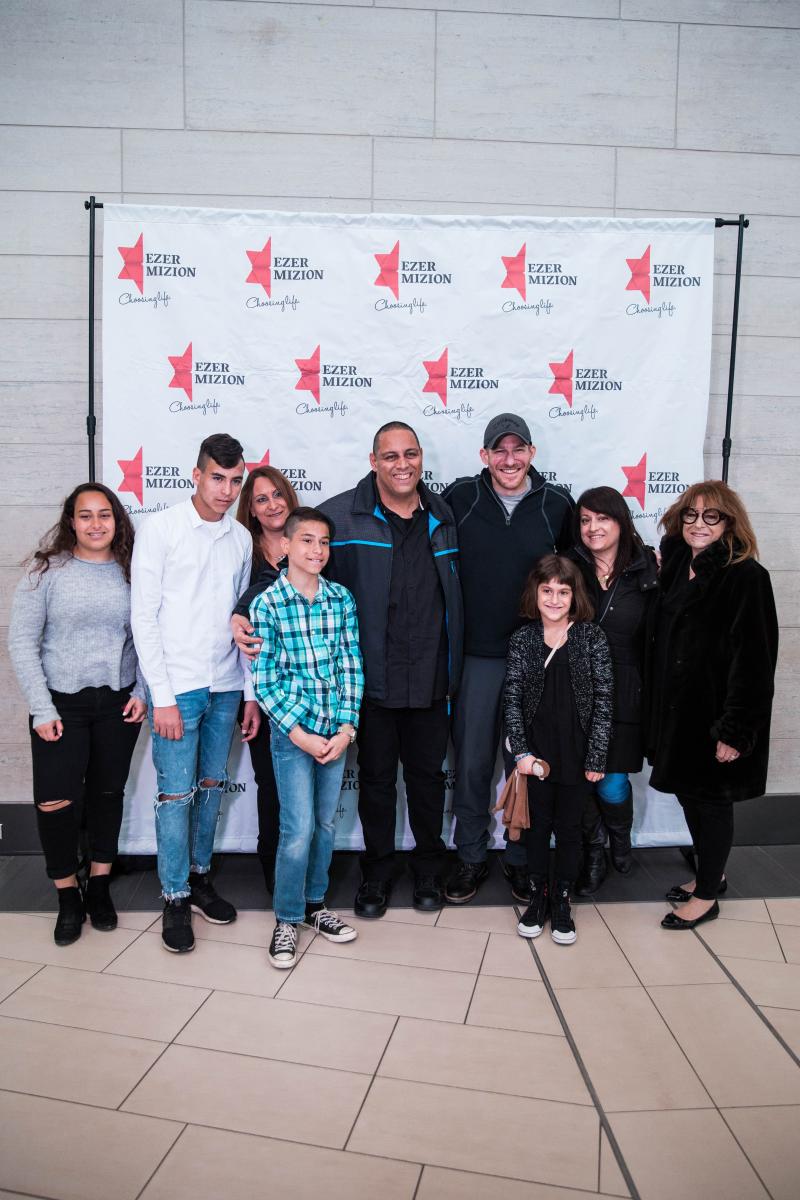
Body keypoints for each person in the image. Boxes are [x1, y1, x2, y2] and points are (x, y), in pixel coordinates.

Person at [319, 422, 464, 918]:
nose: (402, 464)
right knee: (376, 784)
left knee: (427, 782)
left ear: (421, 458)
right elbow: (295, 572)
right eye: (391, 456)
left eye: (411, 454)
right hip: (371, 682)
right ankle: (377, 874)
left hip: (431, 678)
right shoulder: (339, 517)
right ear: (373, 461)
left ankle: (429, 870)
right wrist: (246, 606)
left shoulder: (445, 516)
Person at [131, 433, 261, 953]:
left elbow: (243, 621)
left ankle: (200, 877)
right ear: (196, 474)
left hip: (226, 684)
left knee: (210, 787)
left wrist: (249, 692)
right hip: (177, 688)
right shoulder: (160, 529)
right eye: (217, 478)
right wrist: (160, 696)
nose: (226, 490)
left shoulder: (242, 538)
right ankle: (174, 894)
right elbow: (143, 618)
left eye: (235, 481)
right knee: (175, 794)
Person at [442, 413, 574, 905]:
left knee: (525, 762)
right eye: (500, 449)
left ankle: (521, 859)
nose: (510, 459)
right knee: (473, 763)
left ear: (532, 454)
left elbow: (582, 568)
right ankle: (471, 856)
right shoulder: (461, 498)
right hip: (477, 656)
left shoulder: (557, 504)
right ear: (485, 456)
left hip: (536, 658)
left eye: (519, 449)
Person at [8, 483, 147, 945]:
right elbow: (21, 642)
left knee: (108, 794)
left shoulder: (133, 571)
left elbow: (149, 636)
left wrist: (143, 691)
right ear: (71, 521)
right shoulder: (46, 571)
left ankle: (100, 883)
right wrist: (41, 708)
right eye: (85, 515)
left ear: (116, 520)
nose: (95, 524)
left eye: (104, 514)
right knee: (55, 801)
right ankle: (68, 892)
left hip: (117, 703)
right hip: (59, 706)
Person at [646, 481, 778, 931]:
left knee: (712, 802)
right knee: (689, 796)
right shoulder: (675, 565)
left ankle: (706, 897)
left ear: (729, 522)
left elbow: (756, 663)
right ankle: (711, 873)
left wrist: (734, 730)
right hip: (676, 713)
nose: (698, 524)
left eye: (711, 516)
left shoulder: (746, 577)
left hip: (714, 715)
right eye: (691, 514)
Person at [250, 507, 364, 968]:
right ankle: (287, 917)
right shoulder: (268, 604)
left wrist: (346, 728)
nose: (317, 550)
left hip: (335, 733)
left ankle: (316, 904)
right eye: (306, 540)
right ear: (285, 546)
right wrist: (299, 734)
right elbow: (265, 679)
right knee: (296, 830)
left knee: (325, 823)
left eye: (324, 542)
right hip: (292, 736)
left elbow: (350, 665)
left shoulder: (341, 599)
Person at [504, 555, 613, 944]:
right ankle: (538, 895)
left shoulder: (591, 637)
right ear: (535, 593)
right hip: (537, 757)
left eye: (563, 592)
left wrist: (596, 756)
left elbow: (604, 700)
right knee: (536, 829)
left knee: (570, 829)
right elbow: (512, 699)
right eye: (547, 590)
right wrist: (521, 754)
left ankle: (562, 897)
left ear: (574, 595)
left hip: (578, 754)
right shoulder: (523, 639)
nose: (554, 599)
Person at [567, 487, 659, 895]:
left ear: (621, 521)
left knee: (611, 781)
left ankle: (620, 840)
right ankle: (594, 853)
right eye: (585, 520)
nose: (593, 527)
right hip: (574, 689)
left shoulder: (647, 569)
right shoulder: (569, 566)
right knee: (581, 780)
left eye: (602, 518)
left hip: (624, 691)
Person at [231, 465, 299, 893]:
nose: (272, 504)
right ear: (251, 510)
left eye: (277, 494)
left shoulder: (311, 544)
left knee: (305, 786)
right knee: (270, 783)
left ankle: (305, 873)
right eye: (261, 499)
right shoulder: (243, 553)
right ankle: (275, 874)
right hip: (259, 689)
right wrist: (251, 697)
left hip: (309, 689)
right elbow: (238, 628)